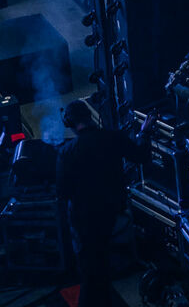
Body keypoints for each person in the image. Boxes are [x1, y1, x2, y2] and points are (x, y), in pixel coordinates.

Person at [55, 99, 151, 307]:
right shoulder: (113, 138)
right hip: (109, 213)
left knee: (90, 272)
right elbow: (141, 155)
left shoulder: (67, 151)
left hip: (82, 219)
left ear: (69, 123)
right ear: (89, 116)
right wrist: (144, 132)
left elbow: (62, 192)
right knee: (101, 265)